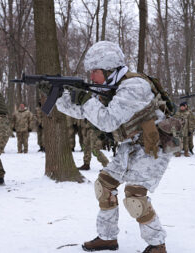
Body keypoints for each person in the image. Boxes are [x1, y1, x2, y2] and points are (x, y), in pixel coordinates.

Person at [56, 41, 171, 252]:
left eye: (94, 72)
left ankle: (157, 244)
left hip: (152, 147)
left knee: (135, 196)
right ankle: (108, 237)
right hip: (130, 146)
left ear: (109, 69)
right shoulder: (111, 86)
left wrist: (85, 98)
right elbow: (84, 112)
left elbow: (107, 121)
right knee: (105, 186)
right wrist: (57, 97)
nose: (91, 77)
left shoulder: (134, 87)